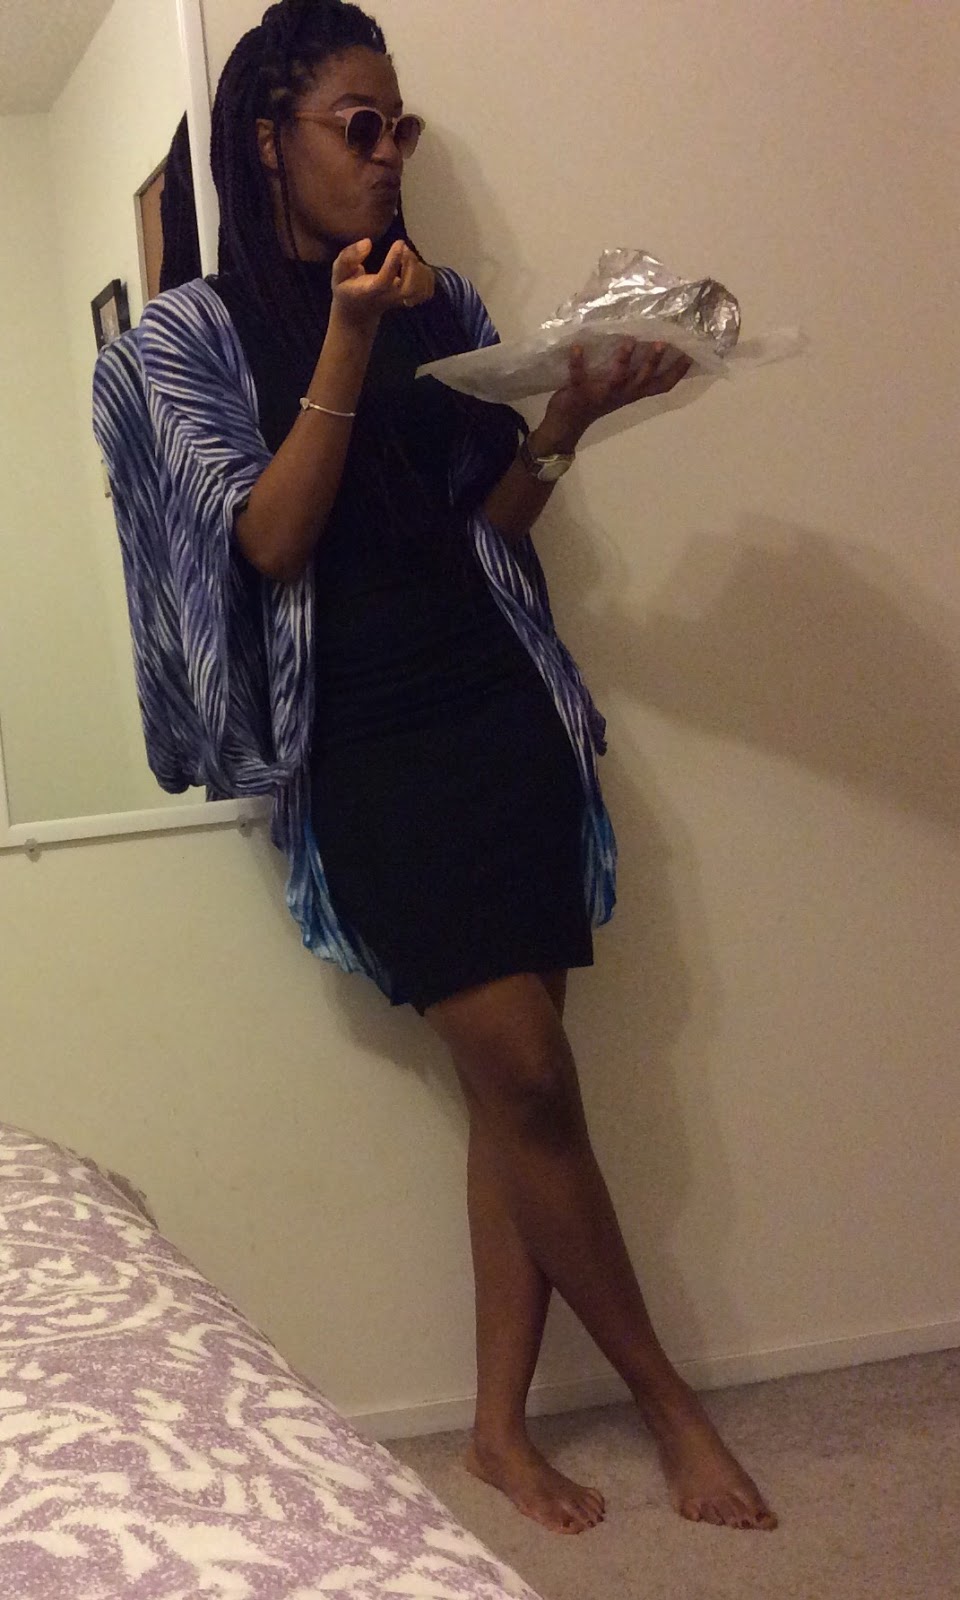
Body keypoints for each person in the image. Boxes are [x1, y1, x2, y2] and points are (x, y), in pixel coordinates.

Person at [96, 0, 777, 1537]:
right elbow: (269, 542)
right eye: (360, 125)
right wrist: (345, 336)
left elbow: (493, 527)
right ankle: (671, 1406)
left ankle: (494, 1433)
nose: (388, 152)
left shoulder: (443, 301)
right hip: (366, 744)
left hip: (498, 708)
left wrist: (570, 420)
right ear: (269, 137)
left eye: (398, 126)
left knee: (513, 1086)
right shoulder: (190, 338)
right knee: (527, 1073)